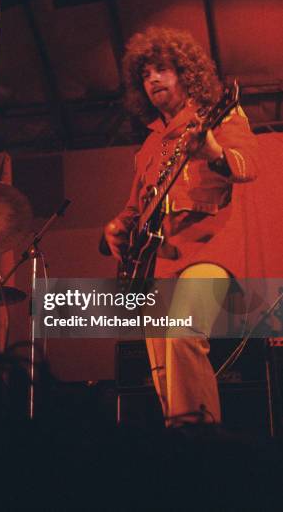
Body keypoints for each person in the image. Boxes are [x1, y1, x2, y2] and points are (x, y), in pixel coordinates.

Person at [104, 26, 258, 427]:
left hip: (211, 250)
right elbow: (134, 208)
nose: (153, 78)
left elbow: (249, 165)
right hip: (160, 262)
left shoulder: (217, 117)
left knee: (181, 331)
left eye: (163, 70)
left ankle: (200, 443)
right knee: (160, 363)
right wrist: (117, 227)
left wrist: (216, 152)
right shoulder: (149, 147)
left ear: (186, 74)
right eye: (145, 74)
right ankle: (180, 439)